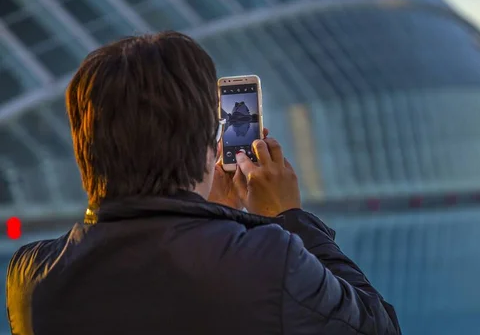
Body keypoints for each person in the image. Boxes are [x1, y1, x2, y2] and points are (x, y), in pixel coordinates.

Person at [6, 31, 401, 335]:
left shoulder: (29, 276)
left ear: (84, 151)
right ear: (207, 149)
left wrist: (217, 216)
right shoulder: (270, 263)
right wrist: (288, 216)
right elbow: (377, 325)